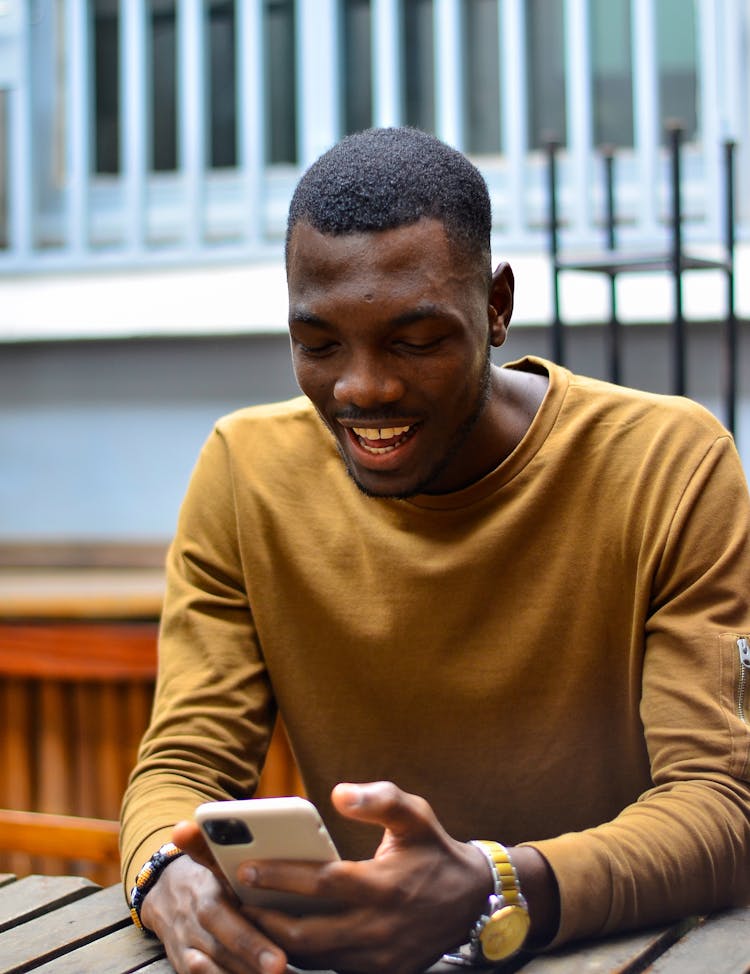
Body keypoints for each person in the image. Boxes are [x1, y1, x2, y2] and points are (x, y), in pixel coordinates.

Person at [120, 126, 750, 974]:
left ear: (495, 306)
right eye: (319, 344)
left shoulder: (669, 463)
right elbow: (184, 763)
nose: (363, 387)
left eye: (416, 341)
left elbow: (723, 806)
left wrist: (500, 886)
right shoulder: (246, 472)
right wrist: (163, 870)